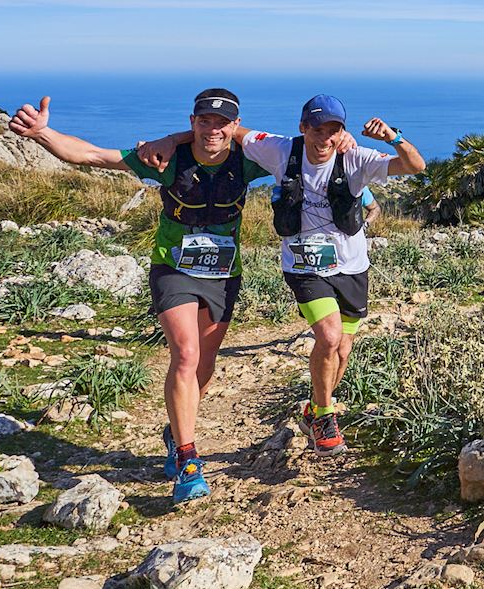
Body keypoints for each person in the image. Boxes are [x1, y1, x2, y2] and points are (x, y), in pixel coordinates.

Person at [8, 89, 353, 501]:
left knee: (203, 366)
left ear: (234, 127)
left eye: (222, 123)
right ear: (193, 122)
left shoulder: (247, 159)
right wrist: (44, 134)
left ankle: (175, 431)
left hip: (224, 275)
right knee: (186, 355)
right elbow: (93, 155)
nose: (213, 129)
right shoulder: (168, 159)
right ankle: (189, 462)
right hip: (173, 268)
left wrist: (346, 144)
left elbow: (306, 151)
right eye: (203, 121)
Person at [138, 93, 424, 456]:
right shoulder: (279, 150)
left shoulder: (355, 158)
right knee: (330, 335)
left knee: (342, 350)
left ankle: (314, 410)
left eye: (333, 129)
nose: (324, 137)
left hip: (352, 266)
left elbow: (415, 166)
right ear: (302, 128)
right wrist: (169, 140)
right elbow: (223, 131)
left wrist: (392, 138)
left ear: (342, 131)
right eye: (317, 128)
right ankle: (323, 416)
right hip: (304, 266)